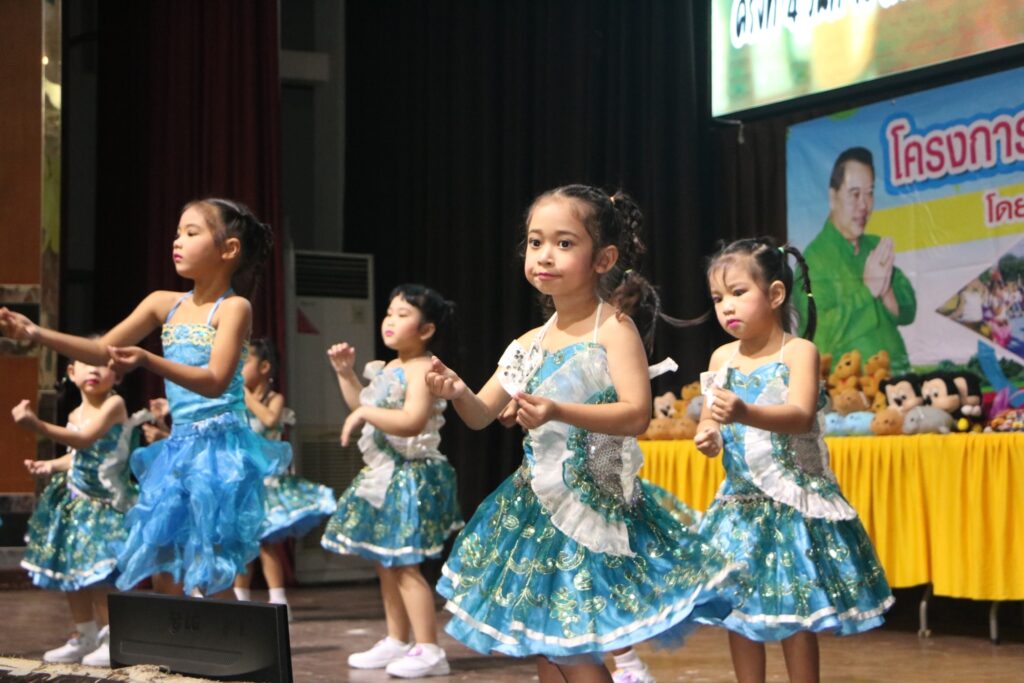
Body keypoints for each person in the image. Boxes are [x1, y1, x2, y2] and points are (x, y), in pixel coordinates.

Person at [426, 185, 734, 683]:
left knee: (574, 650)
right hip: (536, 512)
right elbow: (482, 414)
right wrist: (458, 390)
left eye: (564, 243)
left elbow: (636, 415)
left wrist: (556, 410)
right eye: (535, 242)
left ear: (603, 259)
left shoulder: (613, 329)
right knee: (549, 644)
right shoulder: (529, 343)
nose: (545, 255)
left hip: (594, 513)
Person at [0, 198, 289, 599]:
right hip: (179, 446)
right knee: (164, 566)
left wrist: (148, 359)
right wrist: (37, 333)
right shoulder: (161, 303)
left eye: (191, 233)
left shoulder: (234, 308)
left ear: (229, 249)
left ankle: (227, 638)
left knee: (211, 565)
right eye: (177, 232)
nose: (177, 241)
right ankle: (172, 640)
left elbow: (214, 381)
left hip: (220, 448)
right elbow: (101, 350)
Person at [694, 237, 894, 683]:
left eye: (738, 292)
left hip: (792, 506)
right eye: (718, 298)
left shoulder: (798, 351)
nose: (727, 307)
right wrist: (708, 434)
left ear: (775, 294)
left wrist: (744, 412)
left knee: (796, 609)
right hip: (740, 506)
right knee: (737, 609)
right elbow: (710, 416)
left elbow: (800, 414)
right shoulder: (721, 357)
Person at [322, 284, 464, 679]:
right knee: (385, 561)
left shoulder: (424, 369)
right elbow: (362, 405)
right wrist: (346, 374)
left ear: (426, 329)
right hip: (386, 474)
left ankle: (430, 649)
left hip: (412, 475)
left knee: (405, 564)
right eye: (389, 312)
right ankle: (397, 639)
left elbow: (411, 421)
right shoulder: (386, 368)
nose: (390, 320)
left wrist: (364, 415)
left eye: (403, 315)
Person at [12, 355, 149, 666]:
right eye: (86, 363)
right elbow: (76, 454)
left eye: (102, 364)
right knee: (73, 570)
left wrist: (37, 425)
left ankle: (112, 638)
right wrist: (51, 464)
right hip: (76, 503)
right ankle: (85, 634)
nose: (94, 370)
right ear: (72, 373)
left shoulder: (114, 405)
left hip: (106, 505)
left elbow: (85, 439)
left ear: (117, 376)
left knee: (100, 574)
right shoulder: (75, 413)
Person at [234, 338, 336, 617]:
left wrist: (245, 395)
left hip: (268, 484)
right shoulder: (237, 403)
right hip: (244, 485)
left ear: (264, 367)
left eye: (246, 361)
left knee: (267, 543)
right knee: (244, 544)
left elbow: (269, 420)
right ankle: (239, 602)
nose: (239, 367)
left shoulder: (273, 399)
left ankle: (279, 602)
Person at [792, 147, 916, 374]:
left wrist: (886, 290)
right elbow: (820, 335)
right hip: (848, 385)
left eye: (869, 193)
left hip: (899, 377)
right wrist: (867, 291)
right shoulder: (813, 260)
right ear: (833, 196)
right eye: (855, 194)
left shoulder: (874, 246)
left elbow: (909, 312)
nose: (864, 205)